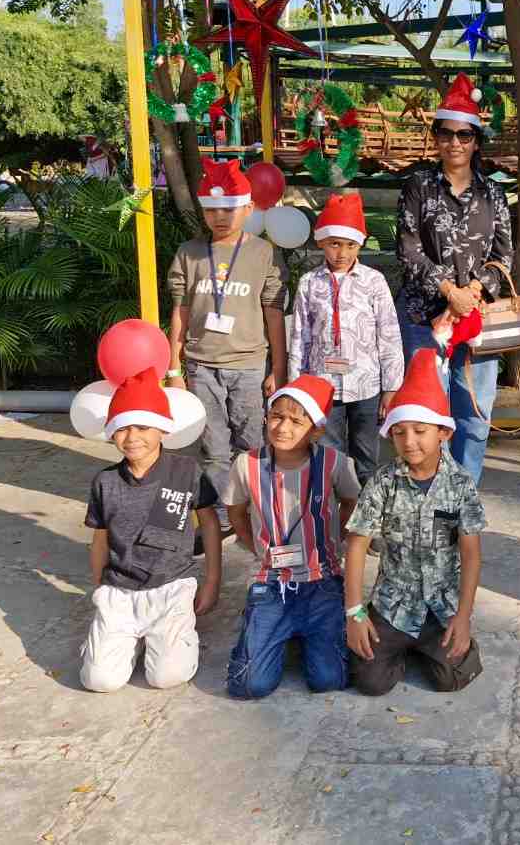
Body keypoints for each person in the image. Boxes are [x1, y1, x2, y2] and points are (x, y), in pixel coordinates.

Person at [343, 348, 485, 696]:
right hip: (394, 604)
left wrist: (463, 618)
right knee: (370, 682)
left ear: (444, 433)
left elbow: (471, 556)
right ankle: (403, 649)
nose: (409, 442)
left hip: (441, 606)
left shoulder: (461, 484)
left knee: (453, 679)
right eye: (399, 432)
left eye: (420, 430)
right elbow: (357, 545)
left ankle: (428, 648)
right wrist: (355, 614)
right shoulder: (382, 482)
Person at [395, 75, 513, 486]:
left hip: (477, 321)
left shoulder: (494, 194)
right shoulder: (418, 187)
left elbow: (504, 254)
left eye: (464, 135)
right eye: (446, 134)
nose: (455, 143)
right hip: (423, 319)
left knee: (475, 415)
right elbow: (408, 249)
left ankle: (462, 496)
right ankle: (427, 494)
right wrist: (449, 292)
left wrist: (472, 293)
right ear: (436, 138)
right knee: (427, 413)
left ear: (476, 140)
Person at [165, 158, 289, 527]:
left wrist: (278, 369)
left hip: (249, 366)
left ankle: (257, 505)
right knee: (213, 446)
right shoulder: (189, 254)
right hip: (201, 366)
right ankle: (223, 510)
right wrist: (174, 367)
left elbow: (273, 314)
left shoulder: (263, 253)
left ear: (248, 209)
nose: (220, 217)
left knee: (253, 442)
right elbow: (180, 313)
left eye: (230, 209)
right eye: (213, 209)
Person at [81, 370, 222, 692]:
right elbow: (100, 538)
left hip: (172, 586)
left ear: (162, 429)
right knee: (99, 681)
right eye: (122, 428)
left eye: (142, 427)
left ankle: (175, 637)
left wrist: (212, 581)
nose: (132, 437)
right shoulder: (104, 482)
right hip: (120, 590)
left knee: (166, 677)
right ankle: (124, 637)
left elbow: (211, 524)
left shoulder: (186, 471)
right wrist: (101, 589)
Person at [222, 375, 362, 698]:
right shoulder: (247, 464)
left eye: (296, 421)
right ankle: (267, 625)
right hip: (273, 580)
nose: (282, 428)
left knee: (328, 680)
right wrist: (255, 546)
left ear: (316, 430)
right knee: (249, 686)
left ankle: (299, 632)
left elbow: (352, 503)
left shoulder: (335, 463)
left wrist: (336, 540)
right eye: (276, 417)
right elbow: (236, 511)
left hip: (321, 578)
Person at [288, 192, 404, 486]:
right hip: (322, 386)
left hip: (366, 386)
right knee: (329, 456)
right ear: (321, 242)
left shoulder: (373, 281)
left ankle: (367, 520)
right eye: (334, 244)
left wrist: (391, 388)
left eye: (350, 244)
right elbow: (300, 335)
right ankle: (330, 517)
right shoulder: (309, 283)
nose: (342, 252)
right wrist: (296, 385)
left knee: (367, 457)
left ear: (360, 244)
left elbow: (388, 334)